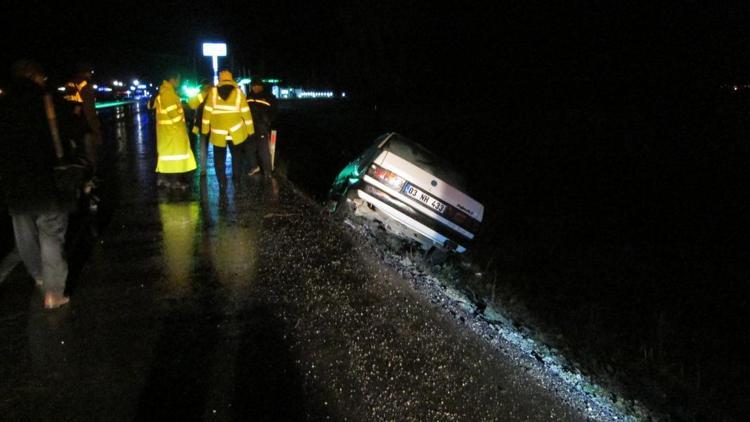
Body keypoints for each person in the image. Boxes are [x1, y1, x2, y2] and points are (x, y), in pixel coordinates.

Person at [0, 60, 77, 309]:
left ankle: (39, 276)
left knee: (23, 231)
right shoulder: (46, 100)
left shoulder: (5, 103)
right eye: (41, 77)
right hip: (46, 176)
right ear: (33, 77)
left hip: (14, 179)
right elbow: (64, 134)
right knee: (51, 231)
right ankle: (53, 293)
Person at [201, 69, 253, 190]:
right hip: (236, 132)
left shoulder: (213, 92)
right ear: (231, 78)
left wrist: (204, 130)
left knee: (219, 159)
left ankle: (222, 182)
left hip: (218, 133)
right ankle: (236, 181)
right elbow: (246, 112)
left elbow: (206, 112)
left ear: (220, 79)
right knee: (237, 158)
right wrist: (250, 130)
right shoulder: (239, 92)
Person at [153, 71, 197, 189]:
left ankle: (162, 179)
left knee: (167, 156)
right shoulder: (168, 93)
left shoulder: (166, 92)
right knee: (175, 157)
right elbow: (173, 115)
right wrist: (183, 121)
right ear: (173, 79)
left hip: (168, 132)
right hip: (173, 132)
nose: (179, 82)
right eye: (178, 79)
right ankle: (174, 181)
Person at [62, 62, 102, 173]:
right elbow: (89, 109)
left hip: (72, 123)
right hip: (85, 125)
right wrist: (96, 129)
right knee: (90, 154)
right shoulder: (85, 84)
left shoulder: (69, 84)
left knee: (77, 153)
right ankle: (91, 177)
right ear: (87, 72)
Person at [245, 78, 277, 178]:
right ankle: (254, 167)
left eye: (257, 86)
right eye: (253, 86)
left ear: (261, 86)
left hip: (262, 126)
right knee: (250, 148)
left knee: (264, 149)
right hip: (249, 126)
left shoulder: (269, 96)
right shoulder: (248, 96)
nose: (255, 88)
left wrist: (267, 121)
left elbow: (274, 111)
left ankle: (267, 171)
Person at [187, 79, 212, 177]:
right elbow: (192, 104)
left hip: (203, 124)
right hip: (213, 124)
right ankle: (204, 169)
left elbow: (191, 104)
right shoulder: (212, 93)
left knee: (203, 147)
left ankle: (203, 169)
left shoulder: (201, 94)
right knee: (214, 147)